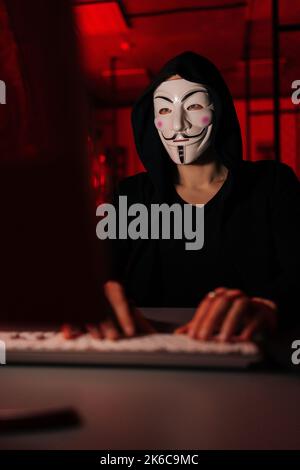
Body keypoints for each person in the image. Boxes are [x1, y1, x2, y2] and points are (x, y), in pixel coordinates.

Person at [70, 51, 300, 342]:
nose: (178, 125)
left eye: (192, 106)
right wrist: (90, 297)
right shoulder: (130, 198)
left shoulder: (272, 185)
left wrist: (269, 306)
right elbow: (95, 274)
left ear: (218, 109)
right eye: (165, 110)